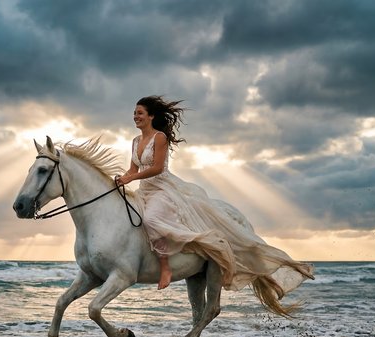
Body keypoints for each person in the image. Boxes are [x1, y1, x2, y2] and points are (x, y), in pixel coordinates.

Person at [116, 96, 313, 298]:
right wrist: (123, 178)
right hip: (144, 190)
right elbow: (133, 168)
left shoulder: (160, 138)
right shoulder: (135, 141)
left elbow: (157, 168)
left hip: (162, 189)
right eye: (134, 113)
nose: (135, 116)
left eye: (139, 113)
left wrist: (132, 177)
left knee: (151, 219)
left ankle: (165, 267)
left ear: (151, 116)